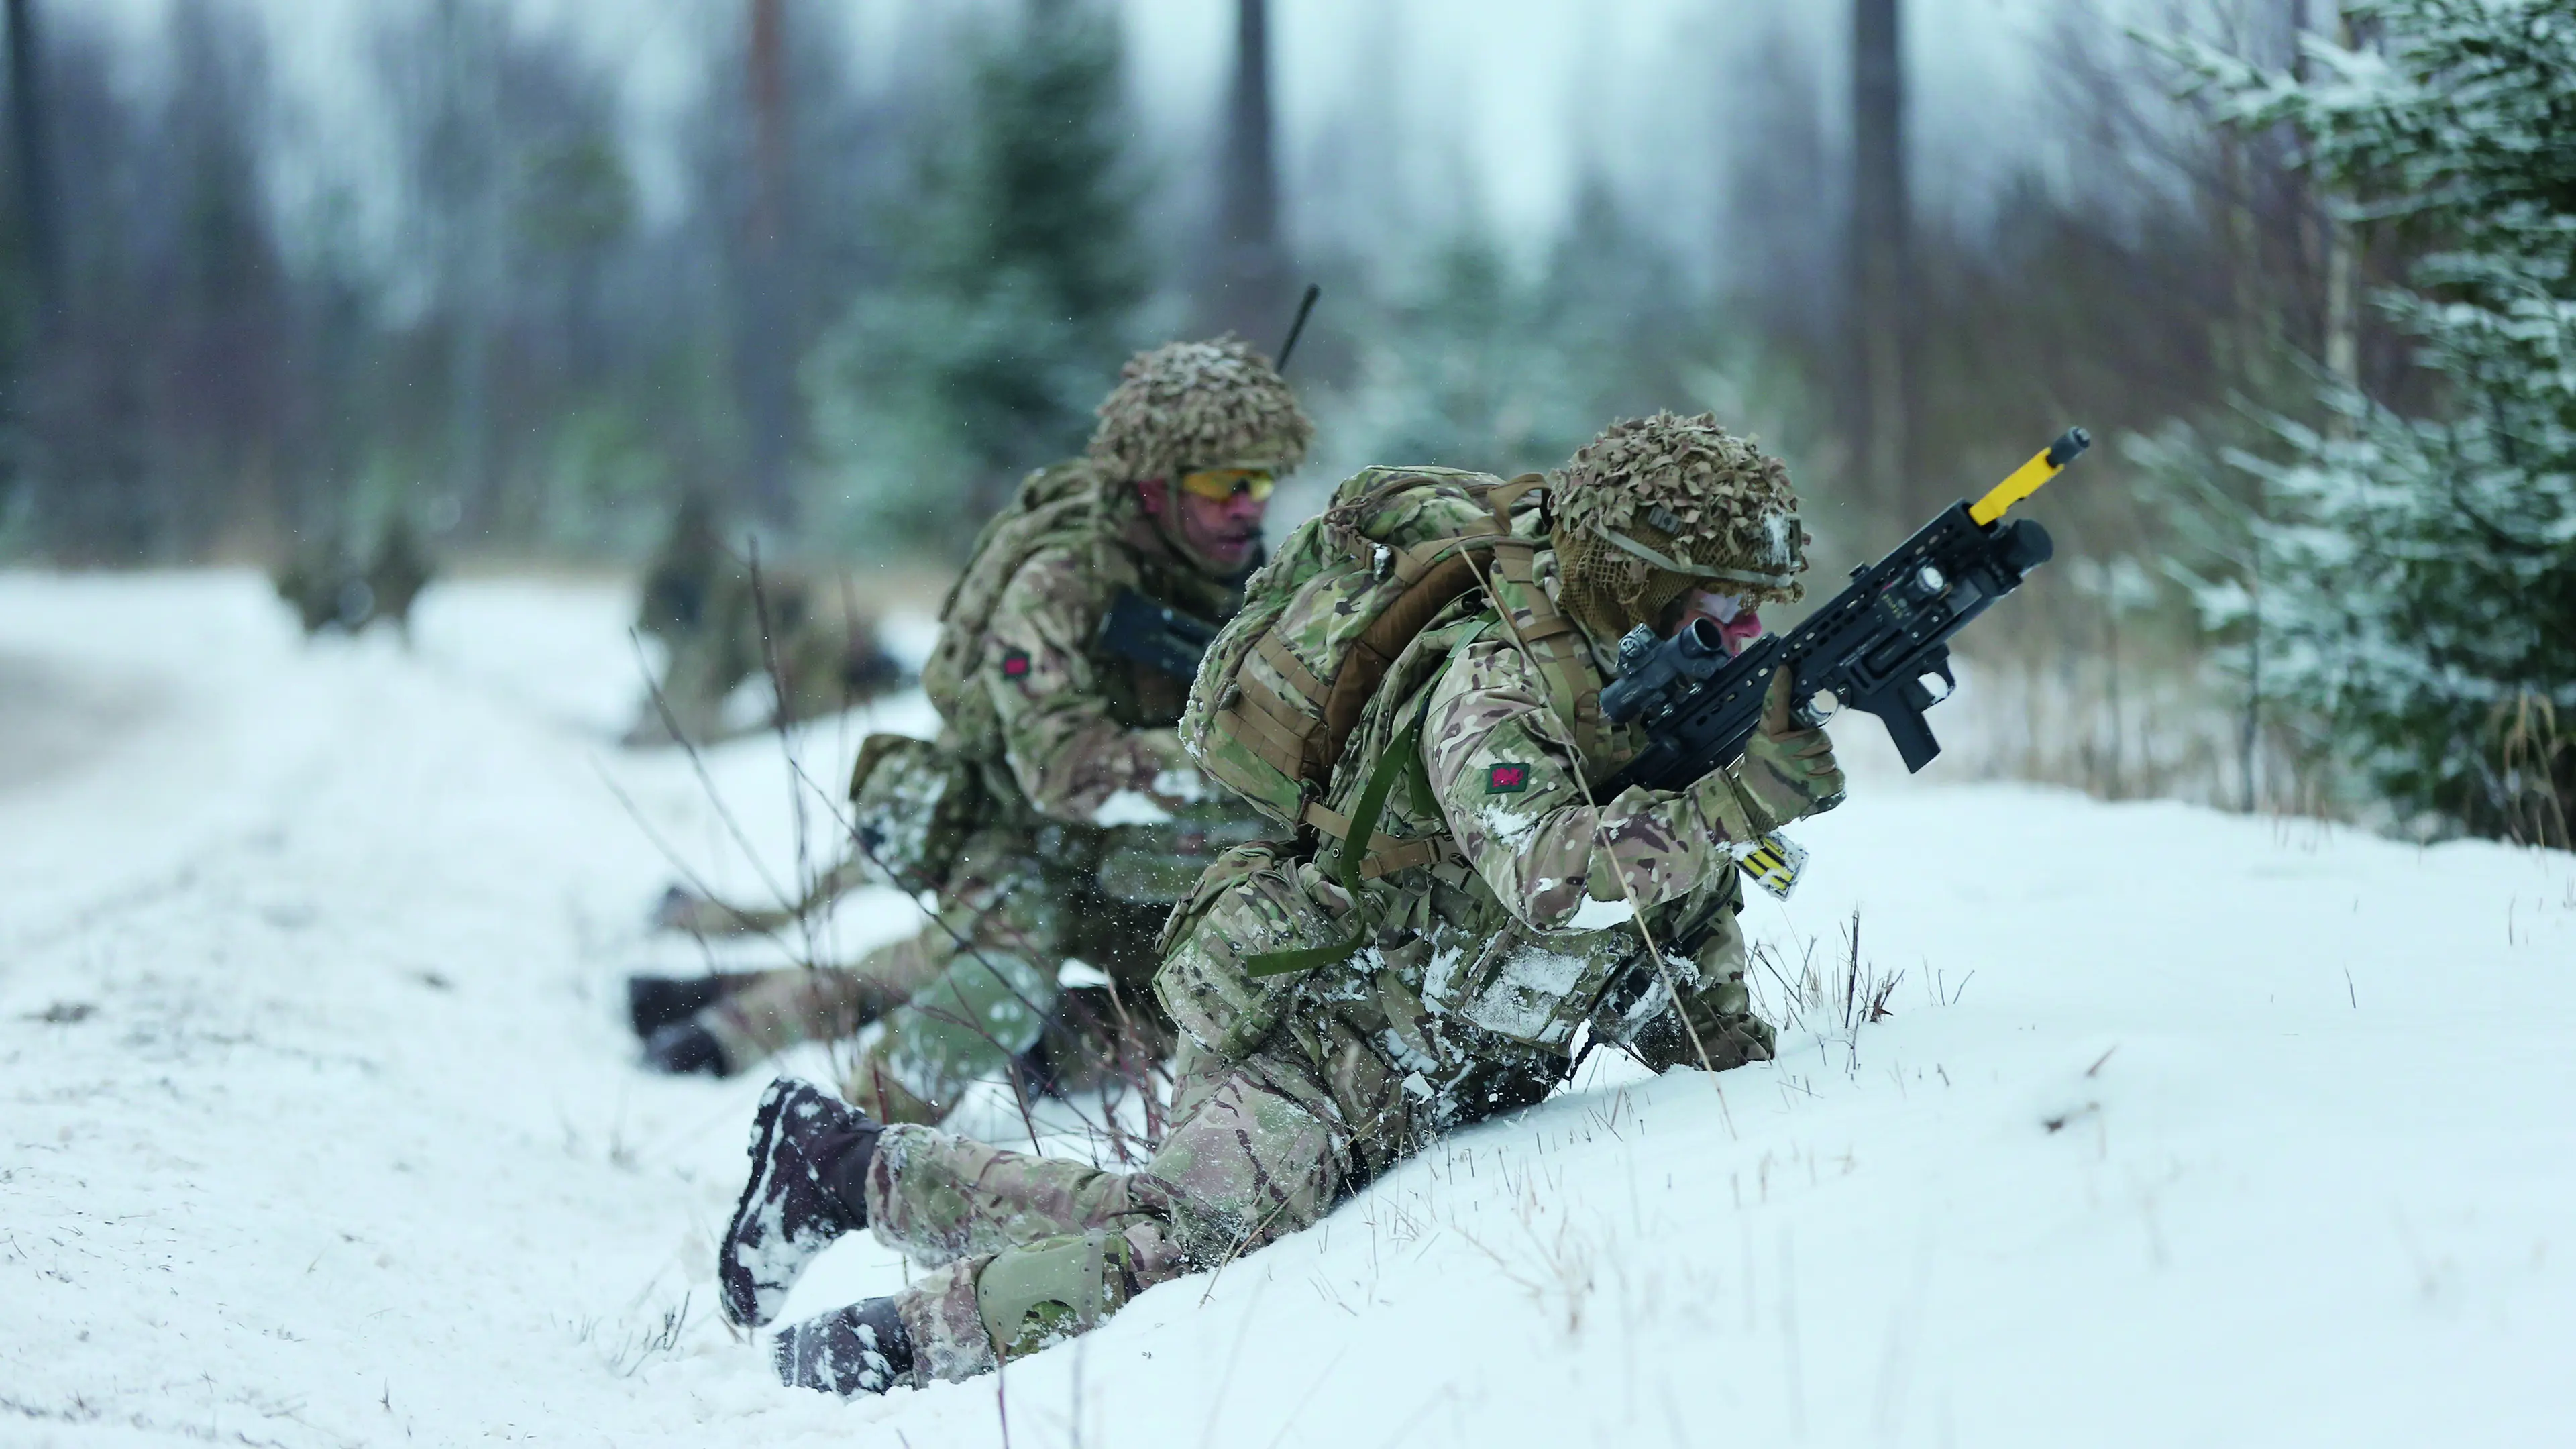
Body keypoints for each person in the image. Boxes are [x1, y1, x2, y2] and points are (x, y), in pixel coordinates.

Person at [709, 412, 1850, 1395]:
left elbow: (1670, 925)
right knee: (1190, 1251)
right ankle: (880, 1357)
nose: (1746, 635)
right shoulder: (1495, 683)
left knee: (1170, 1223)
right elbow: (1551, 873)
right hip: (1315, 1031)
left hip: (1425, 1063)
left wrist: (1755, 1076)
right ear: (1632, 579)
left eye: (1755, 609)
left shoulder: (1654, 704)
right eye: (1717, 605)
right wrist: (1740, 803)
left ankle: (847, 1168)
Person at [630, 337, 1311, 1127]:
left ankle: (1048, 1051)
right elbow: (1063, 767)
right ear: (1155, 485)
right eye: (1225, 485)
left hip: (1147, 859)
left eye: (1262, 484)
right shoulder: (1060, 581)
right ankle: (841, 1147)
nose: (1248, 507)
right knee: (988, 986)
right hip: (1018, 841)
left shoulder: (1251, 578)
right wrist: (1236, 758)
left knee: (1239, 998)